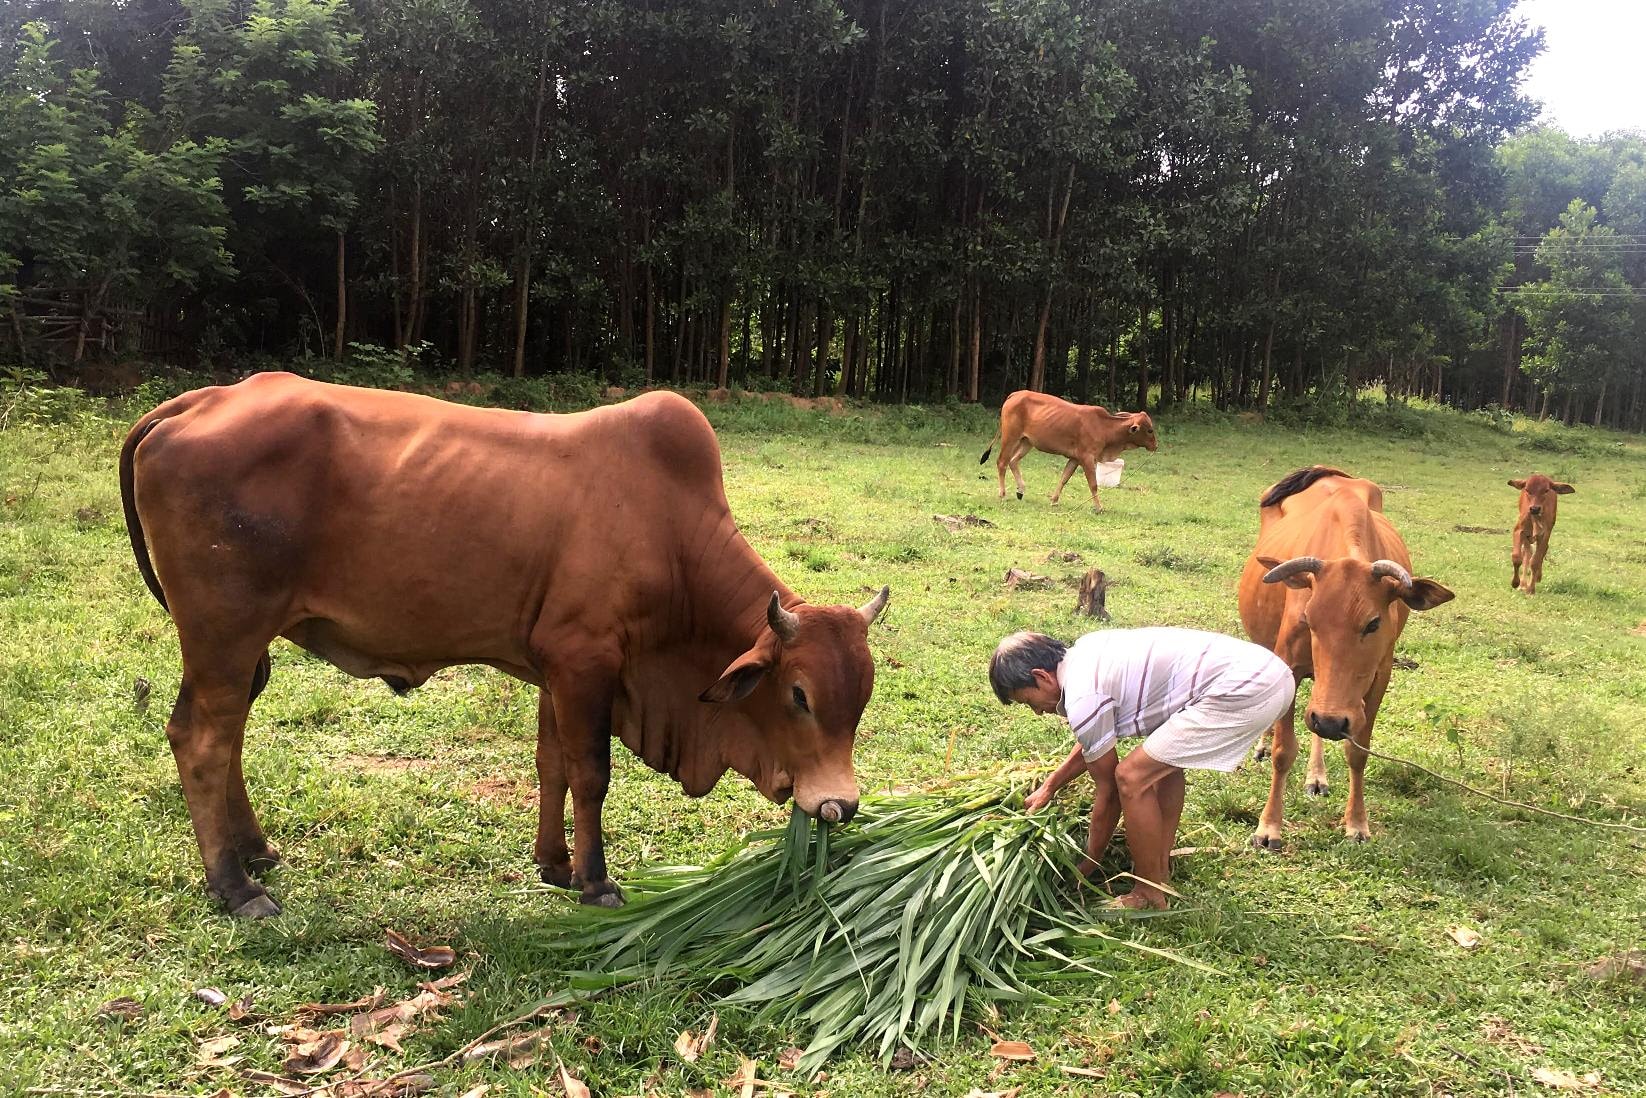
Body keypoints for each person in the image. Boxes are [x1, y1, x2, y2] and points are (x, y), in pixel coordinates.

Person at [989, 627, 1294, 909]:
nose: (1038, 712)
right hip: (1273, 673)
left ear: (1042, 677)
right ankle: (1158, 868)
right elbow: (1095, 741)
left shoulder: (1084, 696)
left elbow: (1108, 792)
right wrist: (1050, 785)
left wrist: (1086, 864)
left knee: (1131, 778)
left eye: (1029, 701)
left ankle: (1148, 891)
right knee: (1161, 767)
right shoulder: (1085, 653)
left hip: (1246, 688)